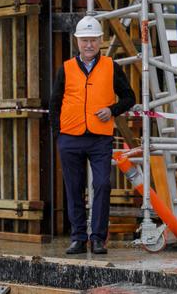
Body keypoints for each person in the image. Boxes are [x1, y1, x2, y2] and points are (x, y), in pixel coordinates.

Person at [49, 16, 135, 254]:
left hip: (99, 138)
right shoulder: (65, 69)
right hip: (70, 137)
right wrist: (59, 135)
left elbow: (130, 97)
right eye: (85, 40)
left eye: (93, 40)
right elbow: (54, 103)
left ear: (100, 41)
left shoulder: (111, 67)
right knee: (74, 188)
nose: (89, 45)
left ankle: (97, 238)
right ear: (77, 42)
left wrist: (112, 110)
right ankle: (78, 238)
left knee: (102, 185)